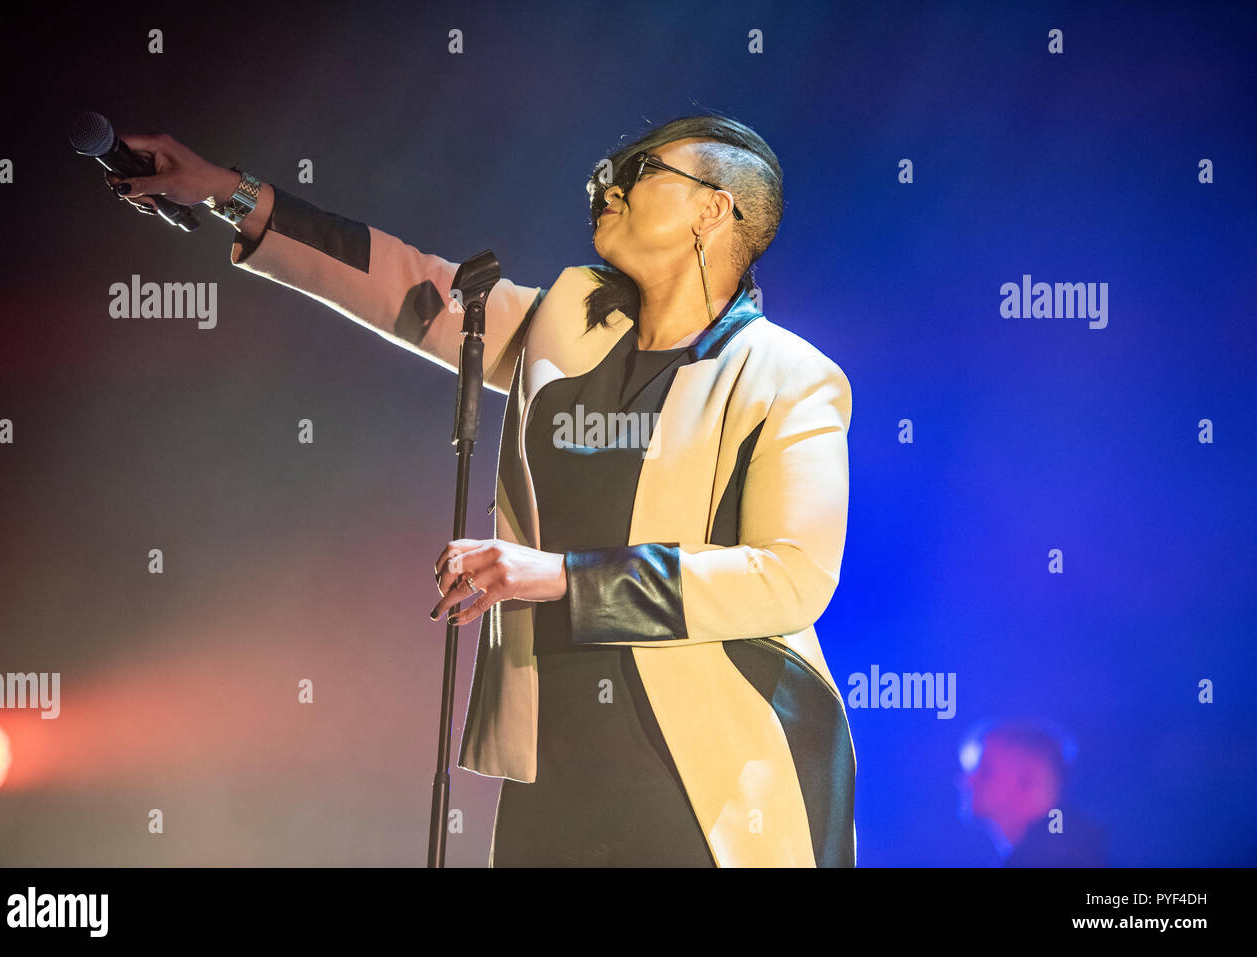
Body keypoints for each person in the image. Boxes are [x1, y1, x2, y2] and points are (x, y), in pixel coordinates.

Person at [104, 112, 855, 867]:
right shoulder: (570, 327)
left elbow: (792, 577)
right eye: (608, 171)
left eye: (641, 170)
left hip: (709, 771)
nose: (609, 186)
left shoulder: (788, 377)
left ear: (712, 208)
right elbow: (420, 291)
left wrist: (563, 577)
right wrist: (228, 192)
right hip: (554, 754)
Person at [956, 717, 1108, 867]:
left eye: (985, 771)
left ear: (1030, 780)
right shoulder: (1072, 849)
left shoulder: (1054, 861)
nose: (966, 781)